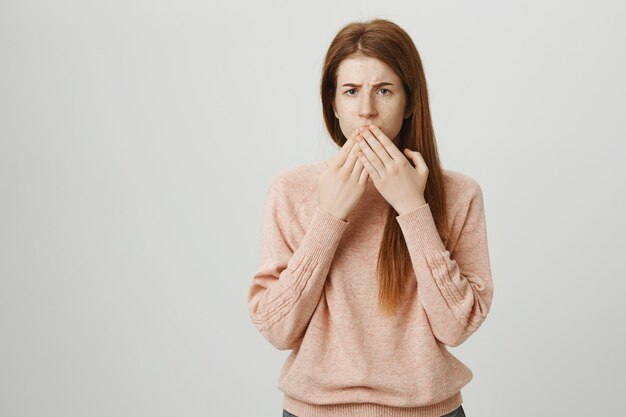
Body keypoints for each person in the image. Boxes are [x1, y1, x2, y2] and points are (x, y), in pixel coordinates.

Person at [247, 18, 493, 417]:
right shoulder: (291, 188)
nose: (366, 110)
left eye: (383, 90)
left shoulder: (460, 193)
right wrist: (329, 216)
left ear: (410, 101)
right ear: (333, 103)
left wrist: (413, 210)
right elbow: (277, 329)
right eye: (351, 91)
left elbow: (456, 327)